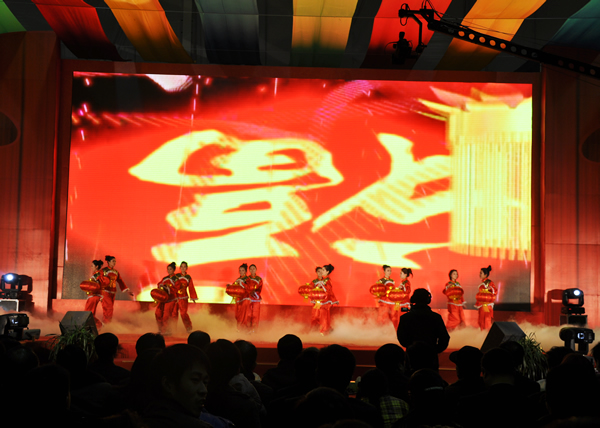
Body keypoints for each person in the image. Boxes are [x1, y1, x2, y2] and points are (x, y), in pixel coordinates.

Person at [143, 344, 213, 428]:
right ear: (168, 384)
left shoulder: (142, 420)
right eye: (195, 380)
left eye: (205, 382)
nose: (204, 390)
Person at [396, 288, 450, 354]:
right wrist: (435, 350)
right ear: (428, 300)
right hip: (430, 356)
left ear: (413, 299)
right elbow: (444, 337)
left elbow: (401, 337)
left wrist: (411, 347)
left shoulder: (405, 317)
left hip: (412, 356)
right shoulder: (436, 317)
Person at [100, 255, 133, 323]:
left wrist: (127, 290)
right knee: (108, 308)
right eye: (113, 261)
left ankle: (106, 323)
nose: (114, 262)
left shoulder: (116, 272)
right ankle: (107, 324)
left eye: (115, 261)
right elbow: (97, 278)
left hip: (113, 293)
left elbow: (120, 281)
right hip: (105, 292)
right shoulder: (103, 271)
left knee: (109, 309)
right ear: (108, 262)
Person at [311, 264, 338, 335]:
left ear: (327, 272)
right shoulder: (320, 280)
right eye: (321, 270)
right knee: (316, 316)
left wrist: (322, 286)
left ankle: (325, 332)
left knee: (324, 318)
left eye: (323, 270)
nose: (321, 271)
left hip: (325, 302)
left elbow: (329, 291)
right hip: (319, 302)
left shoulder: (327, 280)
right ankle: (322, 330)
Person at [174, 261, 198, 333]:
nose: (183, 268)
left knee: (183, 313)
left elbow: (191, 287)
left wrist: (193, 297)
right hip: (175, 297)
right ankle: (172, 328)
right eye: (182, 266)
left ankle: (188, 327)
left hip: (183, 297)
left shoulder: (188, 277)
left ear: (186, 268)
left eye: (184, 267)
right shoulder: (176, 276)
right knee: (174, 313)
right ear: (180, 267)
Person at [155, 262, 179, 335]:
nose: (169, 270)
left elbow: (177, 289)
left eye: (170, 269)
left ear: (173, 270)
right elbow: (159, 284)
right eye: (168, 269)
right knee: (158, 313)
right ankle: (160, 329)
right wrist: (161, 286)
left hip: (171, 299)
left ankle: (166, 330)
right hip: (163, 299)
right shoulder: (165, 278)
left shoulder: (176, 279)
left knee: (166, 316)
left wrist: (168, 288)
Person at [83, 259, 105, 330]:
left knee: (88, 313)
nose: (91, 267)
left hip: (94, 296)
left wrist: (90, 282)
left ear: (96, 266)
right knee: (88, 313)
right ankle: (94, 326)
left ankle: (99, 325)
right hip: (92, 296)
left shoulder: (98, 274)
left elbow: (96, 281)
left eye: (92, 266)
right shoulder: (97, 274)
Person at [475, 265, 497, 330]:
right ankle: (483, 333)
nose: (479, 274)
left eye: (481, 273)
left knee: (486, 320)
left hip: (486, 305)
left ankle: (487, 333)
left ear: (485, 274)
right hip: (482, 304)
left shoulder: (489, 282)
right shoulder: (483, 282)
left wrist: (490, 288)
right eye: (480, 273)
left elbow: (495, 291)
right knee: (481, 320)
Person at [230, 263, 251, 331]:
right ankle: (242, 328)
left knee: (243, 316)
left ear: (245, 271)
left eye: (242, 270)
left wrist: (242, 283)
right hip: (239, 299)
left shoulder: (247, 279)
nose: (241, 272)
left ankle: (241, 329)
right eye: (240, 270)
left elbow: (249, 288)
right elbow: (234, 287)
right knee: (237, 316)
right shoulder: (238, 279)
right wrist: (230, 287)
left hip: (245, 299)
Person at [246, 264, 263, 332]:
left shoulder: (259, 279)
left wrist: (254, 292)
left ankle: (254, 330)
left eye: (253, 269)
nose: (252, 270)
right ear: (249, 270)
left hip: (256, 299)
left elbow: (260, 289)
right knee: (248, 314)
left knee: (255, 315)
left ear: (256, 270)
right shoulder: (247, 279)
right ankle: (248, 330)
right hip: (248, 299)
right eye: (251, 269)